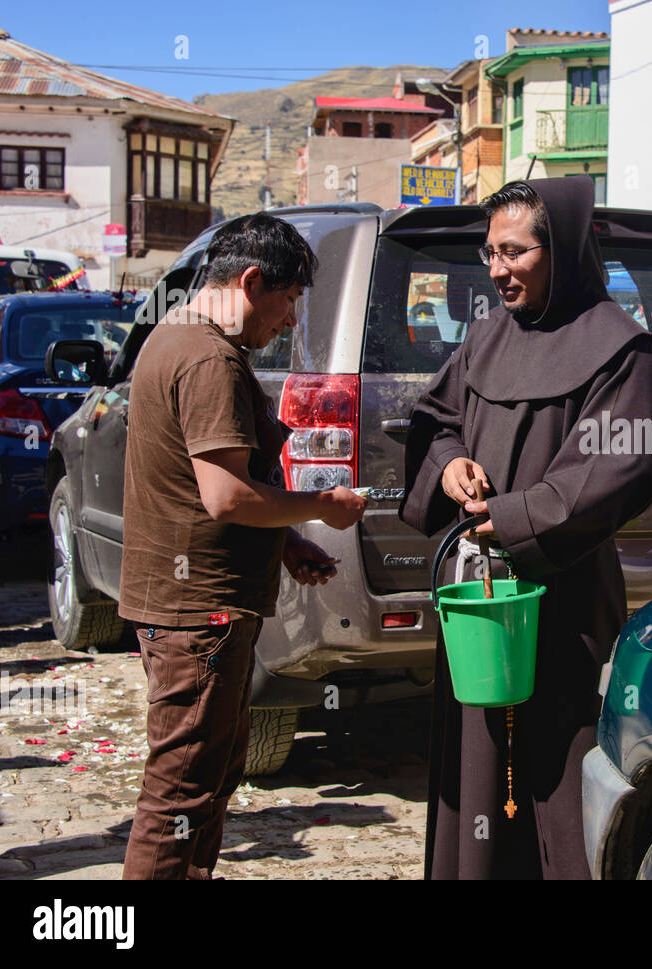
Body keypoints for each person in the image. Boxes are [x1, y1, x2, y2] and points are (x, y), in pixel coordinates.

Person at [399, 178, 652, 879]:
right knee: (479, 764)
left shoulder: (623, 350)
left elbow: (624, 463)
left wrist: (516, 516)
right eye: (489, 253)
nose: (496, 269)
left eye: (514, 252)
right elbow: (436, 419)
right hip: (483, 603)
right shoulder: (486, 337)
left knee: (560, 773)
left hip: (567, 599)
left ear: (565, 251)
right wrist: (451, 460)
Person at [119, 213, 368, 880]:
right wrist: (321, 507)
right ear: (252, 281)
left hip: (189, 605)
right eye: (288, 301)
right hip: (198, 612)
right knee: (180, 791)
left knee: (209, 774)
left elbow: (200, 484)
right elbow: (225, 494)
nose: (289, 321)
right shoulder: (208, 359)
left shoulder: (174, 340)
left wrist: (285, 540)